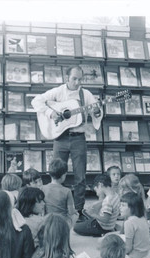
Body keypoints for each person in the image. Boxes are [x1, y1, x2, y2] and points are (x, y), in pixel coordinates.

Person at [31, 65, 103, 222]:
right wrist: (51, 113)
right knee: (55, 174)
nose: (77, 82)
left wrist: (97, 111)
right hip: (60, 137)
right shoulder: (58, 91)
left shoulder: (86, 94)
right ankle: (51, 207)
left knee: (80, 176)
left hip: (79, 138)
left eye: (80, 79)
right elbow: (36, 101)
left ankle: (78, 210)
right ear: (67, 78)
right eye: (74, 79)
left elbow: (96, 113)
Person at [119, 192, 150, 258]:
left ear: (132, 208)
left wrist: (117, 255)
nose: (120, 208)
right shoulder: (142, 218)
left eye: (123, 205)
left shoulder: (129, 223)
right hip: (143, 256)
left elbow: (128, 248)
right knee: (119, 237)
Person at [41, 158, 78, 226]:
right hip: (62, 222)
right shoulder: (67, 191)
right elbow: (71, 212)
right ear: (63, 175)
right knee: (75, 215)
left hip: (47, 220)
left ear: (50, 174)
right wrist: (75, 212)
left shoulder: (42, 188)